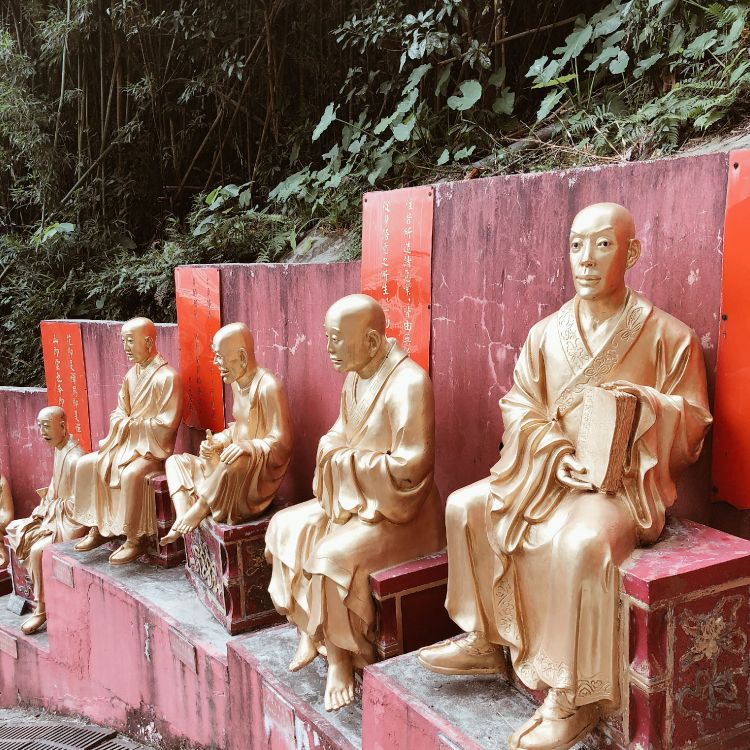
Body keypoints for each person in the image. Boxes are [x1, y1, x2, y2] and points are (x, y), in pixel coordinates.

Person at [418, 203, 712, 750]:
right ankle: (487, 637)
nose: (586, 259)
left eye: (602, 245)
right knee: (465, 505)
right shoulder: (546, 333)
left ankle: (574, 695)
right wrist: (555, 453)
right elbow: (520, 404)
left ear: (632, 253)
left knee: (582, 544)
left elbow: (693, 425)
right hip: (550, 470)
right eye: (577, 245)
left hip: (619, 485)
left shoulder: (669, 336)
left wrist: (643, 409)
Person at [265, 294, 445, 712]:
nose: (328, 350)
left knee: (330, 556)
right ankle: (312, 629)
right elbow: (334, 436)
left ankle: (342, 661)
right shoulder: (355, 377)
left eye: (335, 340)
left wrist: (343, 461)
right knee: (286, 525)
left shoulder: (410, 384)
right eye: (327, 339)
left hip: (403, 514)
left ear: (369, 341)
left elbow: (411, 466)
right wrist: (339, 457)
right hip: (358, 499)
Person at [161, 322, 292, 544]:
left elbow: (283, 442)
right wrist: (220, 440)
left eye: (220, 357)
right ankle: (186, 516)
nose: (216, 363)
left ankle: (200, 507)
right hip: (226, 467)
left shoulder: (268, 386)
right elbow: (240, 426)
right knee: (175, 462)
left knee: (235, 461)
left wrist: (247, 447)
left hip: (251, 477)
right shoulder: (236, 381)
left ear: (241, 356)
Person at [73, 317, 183, 564]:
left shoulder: (167, 377)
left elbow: (166, 424)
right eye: (123, 341)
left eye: (130, 341)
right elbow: (119, 411)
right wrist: (123, 423)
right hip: (125, 445)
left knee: (132, 474)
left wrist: (129, 425)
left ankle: (135, 538)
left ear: (148, 341)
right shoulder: (131, 376)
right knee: (88, 464)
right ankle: (98, 527)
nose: (125, 347)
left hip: (151, 451)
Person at [6, 406, 85, 634]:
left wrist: (50, 512)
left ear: (62, 425)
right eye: (40, 427)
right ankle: (30, 590)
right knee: (15, 528)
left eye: (47, 426)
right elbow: (54, 488)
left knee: (37, 550)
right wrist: (44, 505)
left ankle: (41, 609)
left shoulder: (75, 458)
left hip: (67, 521)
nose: (42, 432)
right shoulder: (59, 450)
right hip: (52, 514)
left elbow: (78, 505)